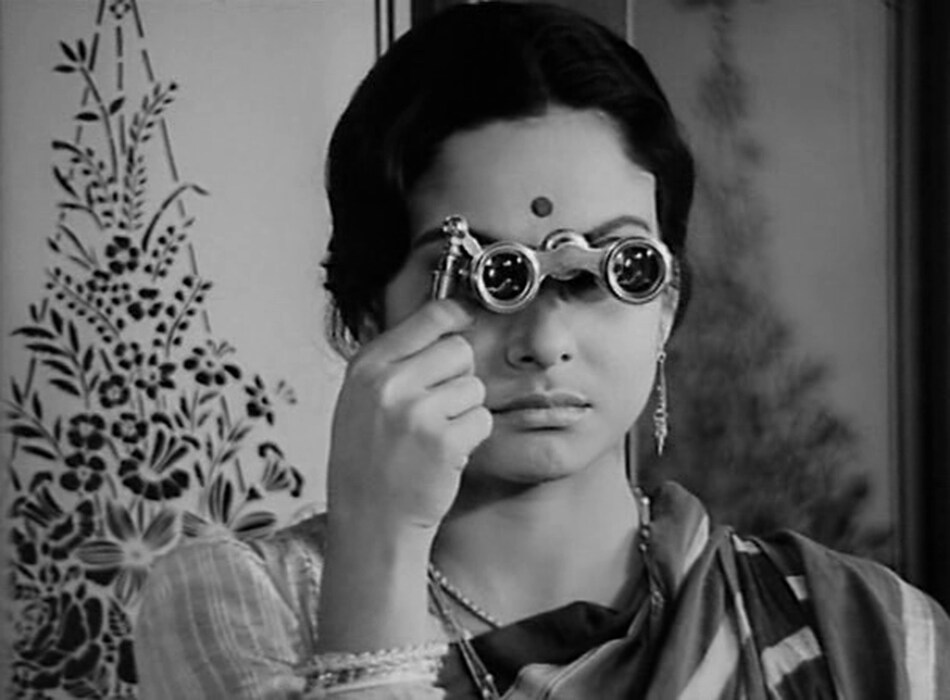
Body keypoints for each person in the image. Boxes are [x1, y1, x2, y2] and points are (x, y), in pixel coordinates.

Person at [135, 3, 950, 698]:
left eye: (614, 271)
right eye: (481, 278)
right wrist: (381, 543)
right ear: (368, 315)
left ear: (665, 304)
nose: (545, 341)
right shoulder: (238, 604)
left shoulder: (865, 630)